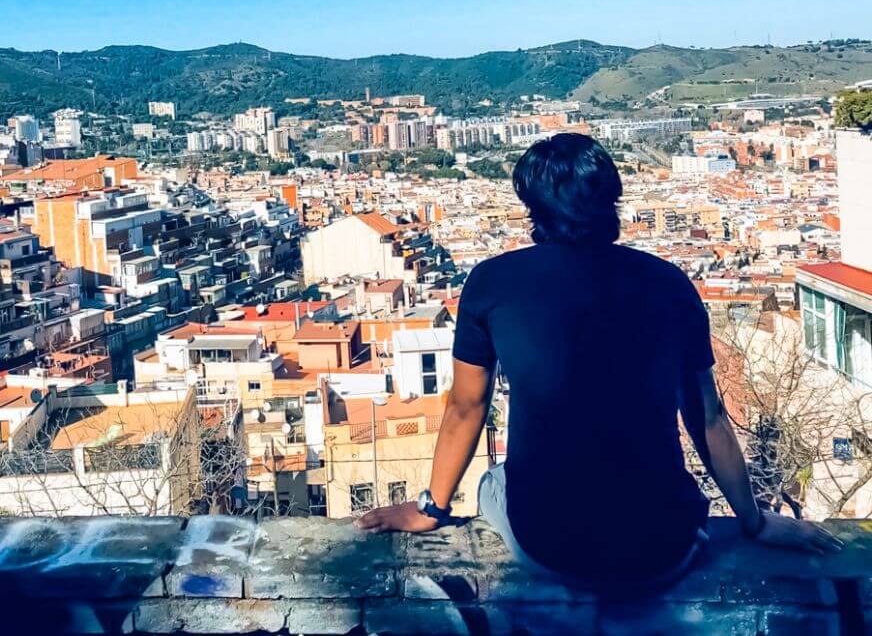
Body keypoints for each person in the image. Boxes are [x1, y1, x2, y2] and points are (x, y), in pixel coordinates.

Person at [357, 133, 839, 589]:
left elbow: (466, 406)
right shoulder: (669, 284)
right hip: (665, 546)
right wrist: (752, 522)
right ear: (613, 197)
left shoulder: (492, 283)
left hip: (550, 547)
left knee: (492, 481)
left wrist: (431, 508)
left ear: (531, 205)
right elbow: (706, 417)